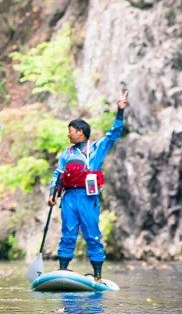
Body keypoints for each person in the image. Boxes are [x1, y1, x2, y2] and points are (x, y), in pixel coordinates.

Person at [47, 90, 128, 281]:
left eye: (71, 130)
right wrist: (52, 193)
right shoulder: (66, 154)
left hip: (88, 198)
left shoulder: (97, 149)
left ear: (80, 133)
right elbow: (58, 174)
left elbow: (114, 133)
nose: (68, 134)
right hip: (69, 199)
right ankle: (63, 270)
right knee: (67, 234)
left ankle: (98, 275)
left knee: (92, 235)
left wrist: (120, 111)